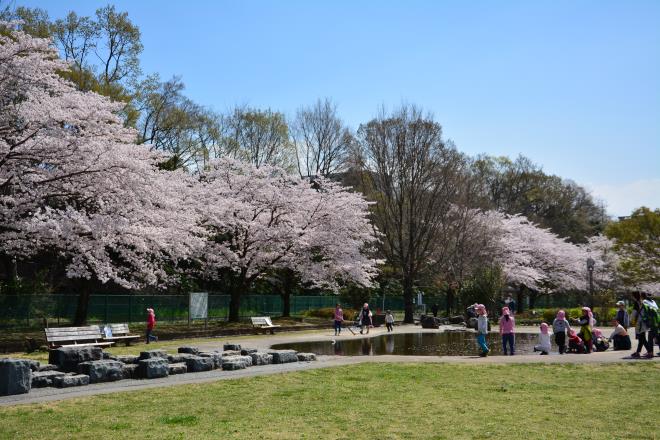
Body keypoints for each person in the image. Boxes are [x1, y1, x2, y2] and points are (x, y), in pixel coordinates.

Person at [640, 292, 658, 358]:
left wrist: (644, 319)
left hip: (652, 322)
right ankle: (650, 352)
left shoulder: (644, 302)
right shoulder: (653, 301)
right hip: (657, 321)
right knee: (657, 336)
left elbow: (646, 312)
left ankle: (650, 353)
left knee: (650, 337)